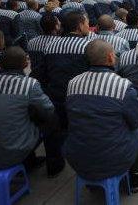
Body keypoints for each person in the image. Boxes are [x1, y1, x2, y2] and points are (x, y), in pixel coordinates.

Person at [64, 40, 138, 192]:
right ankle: (136, 176)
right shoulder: (122, 86)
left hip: (76, 157)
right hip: (112, 159)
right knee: (137, 130)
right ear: (111, 57)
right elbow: (136, 119)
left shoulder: (73, 83)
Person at [0, 47, 55, 173]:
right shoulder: (29, 85)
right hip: (14, 151)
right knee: (52, 120)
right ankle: (54, 166)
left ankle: (31, 160)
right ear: (25, 63)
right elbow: (48, 110)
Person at [39, 10, 90, 177]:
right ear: (80, 25)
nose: (88, 25)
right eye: (87, 22)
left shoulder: (50, 46)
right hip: (81, 98)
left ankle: (54, 164)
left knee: (54, 130)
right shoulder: (88, 46)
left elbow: (43, 73)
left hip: (56, 96)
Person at [27, 14, 60, 81]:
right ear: (56, 26)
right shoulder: (60, 43)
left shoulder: (31, 42)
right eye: (58, 21)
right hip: (52, 78)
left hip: (35, 77)